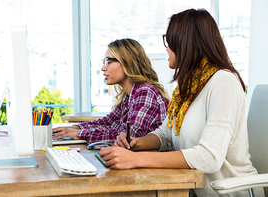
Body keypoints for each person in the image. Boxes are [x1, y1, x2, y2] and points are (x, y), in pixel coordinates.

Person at [99, 9, 264, 196]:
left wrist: (135, 160)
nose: (166, 47)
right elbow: (166, 133)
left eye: (169, 40)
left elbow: (209, 157)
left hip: (232, 193)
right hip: (195, 190)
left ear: (185, 42)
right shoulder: (187, 87)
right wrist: (137, 143)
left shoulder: (223, 82)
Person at [53, 38, 170, 144]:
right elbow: (108, 122)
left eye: (108, 62)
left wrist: (79, 134)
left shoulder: (146, 92)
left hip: (155, 165)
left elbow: (127, 137)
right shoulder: (129, 96)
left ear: (127, 63)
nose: (103, 68)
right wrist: (77, 128)